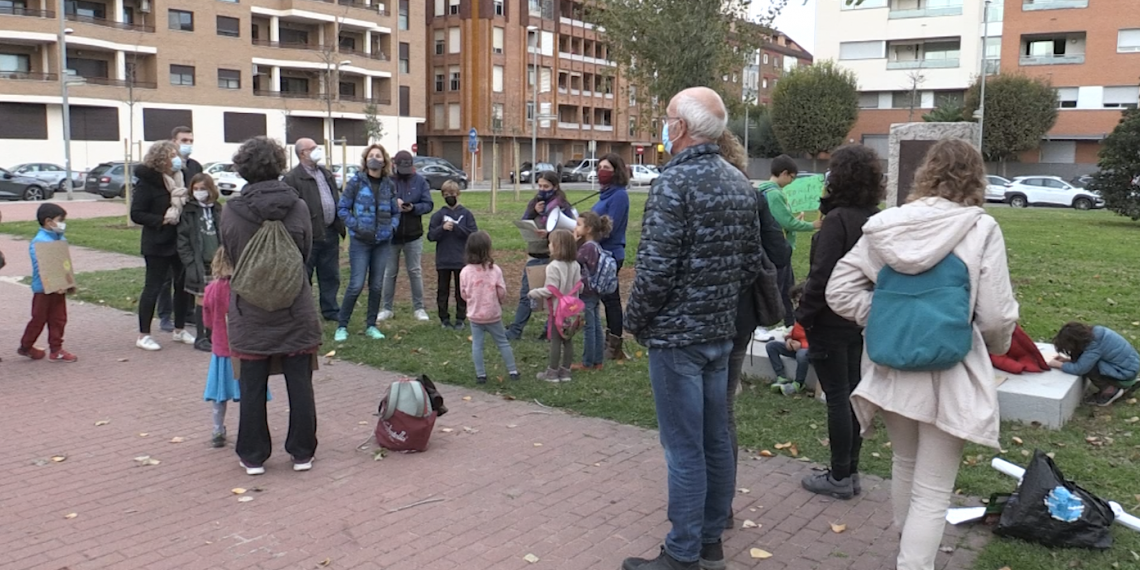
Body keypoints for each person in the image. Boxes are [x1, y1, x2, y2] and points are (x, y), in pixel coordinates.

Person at [827, 138, 1019, 570]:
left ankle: (906, 547)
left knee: (905, 462)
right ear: (976, 178)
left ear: (925, 173)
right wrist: (994, 346)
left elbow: (839, 290)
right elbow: (995, 315)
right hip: (951, 367)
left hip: (892, 366)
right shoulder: (980, 228)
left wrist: (887, 316)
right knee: (933, 489)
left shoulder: (886, 225)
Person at [622, 87, 763, 570]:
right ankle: (709, 540)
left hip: (678, 337)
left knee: (685, 448)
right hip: (719, 333)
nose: (664, 126)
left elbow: (655, 271)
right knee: (714, 439)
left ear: (679, 128)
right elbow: (751, 264)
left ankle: (683, 552)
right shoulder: (739, 182)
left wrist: (633, 321)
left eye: (667, 119)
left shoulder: (674, 183)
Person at [220, 136, 322, 476]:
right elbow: (305, 252)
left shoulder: (231, 211)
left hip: (250, 309)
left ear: (242, 169)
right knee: (300, 383)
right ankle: (302, 452)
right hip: (295, 306)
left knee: (251, 385)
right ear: (279, 165)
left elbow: (231, 253)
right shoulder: (298, 206)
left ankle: (253, 455)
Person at [796, 144, 883, 500]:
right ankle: (850, 471)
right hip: (861, 316)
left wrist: (802, 316)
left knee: (838, 397)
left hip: (832, 318)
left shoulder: (838, 220)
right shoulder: (875, 218)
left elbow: (822, 275)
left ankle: (840, 475)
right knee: (852, 393)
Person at [719, 129, 790, 529]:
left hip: (702, 319)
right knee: (724, 407)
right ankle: (722, 504)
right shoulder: (754, 196)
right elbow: (779, 252)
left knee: (701, 411)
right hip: (741, 315)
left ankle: (709, 504)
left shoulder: (698, 191)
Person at [200, 247, 271, 448]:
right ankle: (249, 430)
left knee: (219, 393)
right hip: (245, 348)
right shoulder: (245, 288)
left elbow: (207, 320)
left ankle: (217, 429)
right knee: (249, 391)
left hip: (221, 349)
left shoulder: (211, 289)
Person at [132, 140, 195, 351]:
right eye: (171, 155)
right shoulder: (147, 182)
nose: (176, 159)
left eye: (176, 154)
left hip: (180, 240)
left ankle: (180, 329)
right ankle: (144, 334)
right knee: (153, 287)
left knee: (183, 286)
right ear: (160, 159)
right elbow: (137, 214)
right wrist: (162, 220)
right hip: (157, 242)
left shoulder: (180, 179)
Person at [335, 144, 401, 342]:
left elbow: (396, 212)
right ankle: (342, 326)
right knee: (356, 284)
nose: (374, 159)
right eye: (371, 155)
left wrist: (392, 227)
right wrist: (355, 226)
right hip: (360, 241)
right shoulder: (356, 182)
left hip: (382, 241)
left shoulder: (389, 185)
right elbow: (343, 208)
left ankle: (371, 325)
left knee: (376, 286)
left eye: (378, 156)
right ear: (365, 160)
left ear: (384, 161)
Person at [506, 171, 575, 340]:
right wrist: (534, 211)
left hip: (551, 256)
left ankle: (549, 331)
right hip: (534, 254)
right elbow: (525, 221)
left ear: (555, 187)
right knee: (527, 294)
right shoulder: (535, 202)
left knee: (553, 296)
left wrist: (549, 234)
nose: (542, 189)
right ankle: (516, 329)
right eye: (540, 186)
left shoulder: (561, 206)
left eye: (546, 186)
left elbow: (570, 229)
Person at [282, 138, 345, 322]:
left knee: (330, 274)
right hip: (307, 237)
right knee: (304, 276)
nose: (318, 150)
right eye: (314, 148)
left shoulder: (326, 174)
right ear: (303, 153)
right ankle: (304, 312)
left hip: (330, 232)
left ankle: (330, 310)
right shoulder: (292, 178)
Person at [762, 154, 821, 328]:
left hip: (772, 246)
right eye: (792, 178)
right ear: (784, 173)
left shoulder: (764, 191)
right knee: (781, 288)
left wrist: (793, 220)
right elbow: (786, 222)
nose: (791, 182)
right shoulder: (774, 194)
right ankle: (772, 323)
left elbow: (779, 221)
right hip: (778, 249)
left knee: (785, 286)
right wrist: (812, 225)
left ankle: (789, 322)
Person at [156, 126, 204, 332]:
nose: (188, 145)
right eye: (184, 140)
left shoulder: (195, 166)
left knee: (187, 272)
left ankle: (186, 312)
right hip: (168, 224)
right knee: (165, 276)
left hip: (189, 225)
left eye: (190, 141)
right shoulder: (164, 167)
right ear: (173, 141)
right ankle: (165, 314)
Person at [17, 203, 77, 363]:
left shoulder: (59, 239)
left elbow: (64, 263)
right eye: (60, 220)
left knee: (59, 319)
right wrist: (53, 283)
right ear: (48, 221)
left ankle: (56, 349)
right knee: (39, 319)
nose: (62, 224)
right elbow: (42, 265)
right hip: (43, 289)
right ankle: (26, 346)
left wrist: (68, 282)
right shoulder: (40, 242)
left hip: (59, 287)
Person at [460, 230, 519, 385]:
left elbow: (464, 294)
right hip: (493, 314)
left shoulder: (465, 272)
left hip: (475, 315)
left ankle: (481, 375)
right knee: (502, 342)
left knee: (477, 345)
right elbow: (501, 291)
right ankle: (513, 371)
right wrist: (499, 300)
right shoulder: (495, 270)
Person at [381, 150, 434, 322]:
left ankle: (419, 308)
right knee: (390, 272)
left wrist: (413, 208)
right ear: (394, 165)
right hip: (392, 235)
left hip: (413, 234)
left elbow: (428, 204)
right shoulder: (387, 181)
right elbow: (379, 203)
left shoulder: (420, 181)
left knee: (415, 271)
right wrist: (393, 204)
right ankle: (386, 308)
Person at [591, 153, 631, 361]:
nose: (601, 171)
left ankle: (614, 344)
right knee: (604, 298)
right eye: (599, 167)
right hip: (599, 252)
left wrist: (589, 233)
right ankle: (606, 340)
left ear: (616, 171)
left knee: (611, 299)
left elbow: (610, 227)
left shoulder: (619, 196)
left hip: (611, 253)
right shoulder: (605, 194)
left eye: (606, 168)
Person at [528, 228, 582, 382]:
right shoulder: (575, 265)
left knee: (556, 340)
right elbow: (580, 285)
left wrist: (534, 292)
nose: (549, 245)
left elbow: (550, 290)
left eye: (551, 243)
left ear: (557, 246)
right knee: (568, 339)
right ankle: (566, 371)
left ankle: (552, 372)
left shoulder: (553, 267)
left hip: (558, 310)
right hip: (572, 310)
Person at [177, 174, 223, 353]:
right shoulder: (189, 211)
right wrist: (189, 262)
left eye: (202, 189)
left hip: (217, 262)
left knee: (215, 299)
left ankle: (212, 335)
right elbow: (183, 240)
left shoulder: (217, 209)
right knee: (202, 298)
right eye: (195, 189)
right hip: (198, 261)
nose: (199, 192)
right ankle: (201, 336)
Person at [1050, 322, 1139, 406]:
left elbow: (1079, 369)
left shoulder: (1094, 346)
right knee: (1086, 361)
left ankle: (1110, 391)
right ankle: (1127, 384)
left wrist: (1057, 365)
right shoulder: (1097, 332)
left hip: (1125, 373)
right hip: (1130, 367)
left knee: (1089, 367)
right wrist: (1067, 361)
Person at [428, 180, 477, 330]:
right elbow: (431, 236)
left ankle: (460, 318)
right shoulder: (438, 215)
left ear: (458, 194)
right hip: (443, 260)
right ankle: (444, 318)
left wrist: (456, 228)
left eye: (453, 194)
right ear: (442, 195)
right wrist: (442, 229)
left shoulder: (466, 214)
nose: (450, 196)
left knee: (461, 291)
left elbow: (473, 234)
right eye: (447, 194)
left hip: (461, 259)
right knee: (443, 290)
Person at [573, 210, 613, 371]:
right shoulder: (595, 246)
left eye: (578, 225)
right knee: (596, 324)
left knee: (589, 326)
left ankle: (587, 362)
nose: (575, 228)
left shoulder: (587, 247)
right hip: (595, 290)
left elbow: (573, 261)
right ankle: (598, 360)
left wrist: (572, 243)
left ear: (588, 229)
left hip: (587, 292)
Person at [766, 283, 810, 395]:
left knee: (802, 354)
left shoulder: (814, 315)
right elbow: (794, 331)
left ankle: (799, 383)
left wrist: (802, 345)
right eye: (795, 301)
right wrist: (789, 339)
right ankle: (781, 377)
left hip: (809, 351)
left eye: (800, 301)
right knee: (771, 346)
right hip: (796, 347)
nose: (797, 304)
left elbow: (818, 339)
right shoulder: (799, 314)